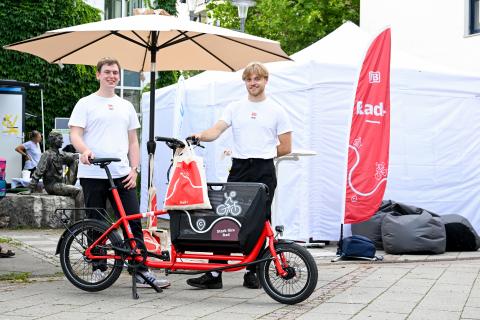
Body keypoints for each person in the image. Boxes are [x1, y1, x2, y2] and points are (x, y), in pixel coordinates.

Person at [187, 62, 292, 290]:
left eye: (257, 79)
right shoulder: (235, 107)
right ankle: (214, 273)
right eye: (249, 79)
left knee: (259, 221)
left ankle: (252, 272)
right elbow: (216, 130)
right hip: (239, 168)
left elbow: (286, 147)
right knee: (225, 218)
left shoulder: (277, 110)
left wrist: (262, 152)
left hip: (264, 170)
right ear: (245, 82)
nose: (253, 83)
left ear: (266, 80)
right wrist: (200, 136)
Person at [68, 57, 169, 288]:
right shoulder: (86, 103)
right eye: (107, 72)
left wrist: (135, 170)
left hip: (122, 173)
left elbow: (133, 142)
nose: (112, 76)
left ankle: (141, 271)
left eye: (115, 72)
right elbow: (75, 134)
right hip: (93, 173)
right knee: (96, 222)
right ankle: (98, 268)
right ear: (98, 75)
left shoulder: (126, 106)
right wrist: (84, 150)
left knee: (132, 221)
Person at [27, 132, 83, 213]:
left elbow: (74, 156)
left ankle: (69, 185)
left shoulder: (61, 154)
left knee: (75, 161)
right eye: (60, 139)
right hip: (52, 186)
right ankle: (80, 220)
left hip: (61, 184)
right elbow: (38, 172)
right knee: (78, 191)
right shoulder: (47, 155)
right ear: (53, 140)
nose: (62, 141)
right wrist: (30, 188)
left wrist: (86, 154)